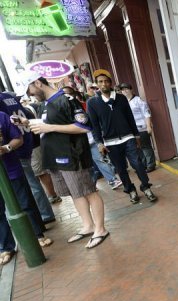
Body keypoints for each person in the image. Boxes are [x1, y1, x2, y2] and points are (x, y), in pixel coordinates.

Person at [14, 70, 110, 249]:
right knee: (74, 192)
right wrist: (26, 123)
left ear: (37, 83)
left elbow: (83, 126)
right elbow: (49, 125)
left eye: (30, 91)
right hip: (56, 158)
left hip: (73, 156)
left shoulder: (66, 99)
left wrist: (48, 127)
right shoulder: (45, 104)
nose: (30, 95)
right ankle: (88, 225)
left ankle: (100, 228)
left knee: (88, 191)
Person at [87, 69, 157, 204]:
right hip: (110, 142)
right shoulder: (92, 103)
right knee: (120, 169)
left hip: (128, 137)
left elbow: (130, 118)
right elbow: (94, 125)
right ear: (97, 84)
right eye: (100, 82)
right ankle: (130, 190)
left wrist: (136, 135)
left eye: (106, 81)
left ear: (110, 83)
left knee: (138, 164)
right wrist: (100, 143)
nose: (104, 84)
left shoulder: (121, 98)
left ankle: (146, 187)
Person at [0, 111, 53, 265]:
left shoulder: (2, 116)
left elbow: (18, 139)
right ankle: (5, 246)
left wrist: (6, 148)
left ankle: (37, 234)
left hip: (12, 169)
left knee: (25, 203)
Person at [0, 92, 56, 224]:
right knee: (32, 183)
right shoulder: (10, 97)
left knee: (29, 184)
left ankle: (41, 216)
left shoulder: (3, 101)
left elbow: (7, 123)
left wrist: (8, 146)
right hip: (24, 141)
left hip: (14, 147)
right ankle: (44, 214)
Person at [119, 82, 157, 173]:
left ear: (131, 90)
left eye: (126, 89)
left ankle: (151, 165)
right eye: (122, 90)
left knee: (145, 146)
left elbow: (146, 114)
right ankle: (143, 165)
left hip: (142, 127)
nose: (124, 91)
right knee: (137, 148)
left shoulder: (138, 100)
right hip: (131, 129)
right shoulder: (124, 102)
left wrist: (148, 126)